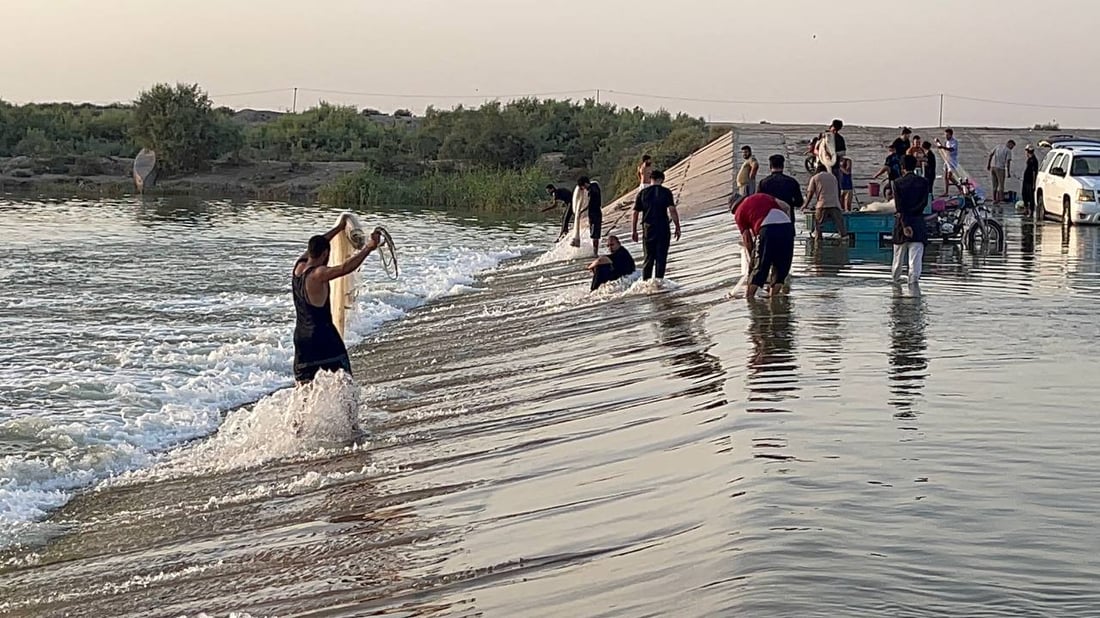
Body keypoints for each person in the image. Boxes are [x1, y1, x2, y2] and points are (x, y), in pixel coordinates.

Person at [292, 217, 381, 384]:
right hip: (323, 337)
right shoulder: (318, 275)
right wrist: (369, 248)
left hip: (302, 339)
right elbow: (344, 268)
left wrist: (339, 228)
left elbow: (322, 241)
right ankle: (348, 410)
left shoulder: (299, 266)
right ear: (325, 254)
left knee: (304, 388)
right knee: (345, 381)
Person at [732, 193, 795, 300]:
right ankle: (773, 301)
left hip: (766, 229)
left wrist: (753, 258)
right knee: (781, 269)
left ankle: (749, 299)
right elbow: (786, 206)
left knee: (760, 268)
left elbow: (747, 240)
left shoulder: (739, 213)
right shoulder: (762, 196)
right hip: (787, 227)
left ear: (734, 208)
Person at [632, 169, 682, 280]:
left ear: (651, 179)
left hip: (648, 228)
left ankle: (646, 283)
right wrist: (677, 227)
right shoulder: (666, 192)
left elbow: (635, 213)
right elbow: (672, 210)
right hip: (663, 227)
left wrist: (634, 231)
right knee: (661, 258)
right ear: (662, 180)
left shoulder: (642, 193)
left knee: (648, 258)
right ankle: (659, 283)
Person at [891, 155, 930, 285]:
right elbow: (923, 203)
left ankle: (896, 288)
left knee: (898, 260)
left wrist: (905, 224)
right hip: (917, 223)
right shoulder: (924, 182)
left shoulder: (897, 183)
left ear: (902, 168)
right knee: (915, 261)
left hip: (902, 225)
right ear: (915, 166)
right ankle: (913, 289)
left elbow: (899, 207)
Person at [804, 163, 847, 241]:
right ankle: (844, 242)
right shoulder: (833, 177)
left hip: (822, 205)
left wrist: (805, 205)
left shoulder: (815, 178)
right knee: (841, 227)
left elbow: (810, 193)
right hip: (835, 204)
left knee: (819, 227)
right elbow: (838, 191)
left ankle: (818, 244)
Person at [757, 154, 804, 223]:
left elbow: (759, 202)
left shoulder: (763, 183)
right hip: (787, 219)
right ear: (783, 166)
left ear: (770, 166)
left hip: (769, 219)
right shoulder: (792, 182)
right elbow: (799, 202)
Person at [936, 128, 959, 196]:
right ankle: (946, 192)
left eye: (947, 135)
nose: (946, 136)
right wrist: (938, 142)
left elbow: (951, 149)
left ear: (951, 135)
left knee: (950, 176)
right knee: (946, 177)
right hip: (947, 160)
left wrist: (942, 147)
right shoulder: (947, 142)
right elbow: (943, 149)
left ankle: (960, 187)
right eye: (945, 135)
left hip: (952, 160)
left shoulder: (954, 142)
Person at [569, 176, 590, 247]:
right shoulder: (579, 190)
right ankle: (576, 238)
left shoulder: (589, 189)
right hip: (581, 209)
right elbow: (578, 203)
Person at [586, 179, 603, 254]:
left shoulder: (592, 191)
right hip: (595, 213)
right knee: (594, 234)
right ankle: (594, 251)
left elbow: (589, 203)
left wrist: (580, 211)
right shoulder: (595, 186)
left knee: (594, 234)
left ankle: (595, 253)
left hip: (594, 214)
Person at [1022, 144, 1039, 218]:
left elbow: (1034, 172)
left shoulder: (1034, 160)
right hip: (1026, 180)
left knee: (1031, 197)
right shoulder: (1029, 159)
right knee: (1024, 194)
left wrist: (1034, 183)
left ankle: (1031, 211)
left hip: (1030, 181)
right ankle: (1026, 209)